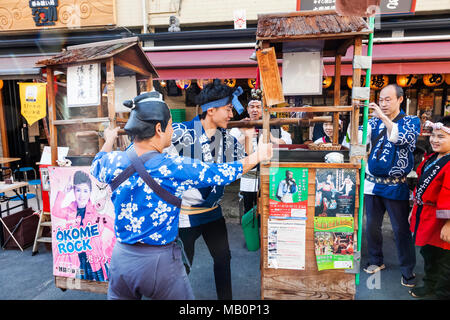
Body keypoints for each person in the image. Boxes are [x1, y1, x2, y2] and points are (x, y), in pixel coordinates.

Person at [90, 90, 273, 300]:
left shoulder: (111, 162)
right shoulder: (171, 167)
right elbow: (221, 173)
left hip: (121, 258)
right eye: (169, 126)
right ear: (159, 129)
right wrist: (259, 155)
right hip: (159, 260)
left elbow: (97, 162)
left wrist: (109, 139)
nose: (172, 131)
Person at [346, 84, 420, 287]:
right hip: (372, 184)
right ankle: (376, 260)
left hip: (396, 185)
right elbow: (353, 140)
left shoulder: (411, 121)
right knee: (371, 226)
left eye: (388, 99)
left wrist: (383, 117)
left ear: (400, 99)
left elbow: (400, 137)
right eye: (381, 100)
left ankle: (407, 270)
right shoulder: (373, 122)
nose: (384, 104)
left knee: (400, 229)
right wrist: (355, 115)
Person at [408, 117, 450, 299]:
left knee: (445, 260)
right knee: (428, 252)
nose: (434, 140)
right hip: (425, 213)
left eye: (441, 136)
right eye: (433, 135)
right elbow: (421, 186)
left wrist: (449, 223)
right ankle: (430, 284)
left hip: (442, 218)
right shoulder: (431, 158)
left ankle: (442, 292)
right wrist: (413, 210)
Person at [229, 98, 292, 215]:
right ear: (247, 109)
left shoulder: (272, 125)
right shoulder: (240, 125)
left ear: (263, 110)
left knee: (267, 207)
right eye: (252, 107)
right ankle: (251, 232)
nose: (255, 110)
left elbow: (287, 141)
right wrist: (245, 136)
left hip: (268, 173)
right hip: (248, 175)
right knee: (249, 207)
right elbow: (229, 146)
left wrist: (272, 139)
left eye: (258, 107)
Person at [52, 170, 113, 281]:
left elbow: (112, 224)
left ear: (90, 192)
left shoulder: (95, 211)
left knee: (102, 283)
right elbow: (56, 211)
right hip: (77, 260)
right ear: (74, 191)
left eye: (85, 191)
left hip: (94, 260)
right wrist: (64, 191)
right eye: (78, 190)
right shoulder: (70, 210)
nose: (81, 195)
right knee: (82, 284)